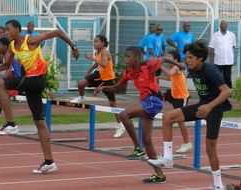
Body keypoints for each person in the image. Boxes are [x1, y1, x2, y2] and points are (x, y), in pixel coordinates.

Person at [0, 19, 79, 174]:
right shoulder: (12, 46)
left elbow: (58, 32)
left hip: (38, 80)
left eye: (7, 29)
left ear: (17, 30)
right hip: (31, 84)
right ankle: (49, 162)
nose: (5, 33)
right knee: (39, 122)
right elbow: (6, 66)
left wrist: (73, 47)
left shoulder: (31, 40)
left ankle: (11, 123)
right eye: (4, 30)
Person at [148, 40, 232, 190]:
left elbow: (227, 91)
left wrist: (209, 106)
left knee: (210, 149)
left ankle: (218, 185)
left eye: (190, 57)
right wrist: (163, 59)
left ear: (200, 58)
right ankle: (168, 158)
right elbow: (179, 66)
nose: (188, 61)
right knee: (167, 117)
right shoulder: (191, 66)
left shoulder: (210, 70)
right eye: (186, 57)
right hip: (202, 106)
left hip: (215, 109)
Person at [94, 46, 185, 183]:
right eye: (125, 56)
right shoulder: (128, 72)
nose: (125, 59)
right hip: (145, 103)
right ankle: (159, 175)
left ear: (137, 58)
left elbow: (163, 58)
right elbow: (117, 87)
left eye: (128, 56)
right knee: (147, 141)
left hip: (154, 100)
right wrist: (103, 88)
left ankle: (138, 148)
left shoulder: (148, 66)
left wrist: (179, 64)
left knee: (124, 115)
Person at [70, 35, 125, 138]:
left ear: (103, 43)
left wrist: (92, 58)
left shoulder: (105, 52)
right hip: (99, 75)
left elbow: (104, 64)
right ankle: (81, 98)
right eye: (94, 41)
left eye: (97, 41)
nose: (94, 43)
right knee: (81, 84)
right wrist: (89, 71)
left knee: (113, 105)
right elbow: (97, 65)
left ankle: (120, 126)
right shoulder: (97, 52)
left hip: (108, 79)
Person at [158, 50, 192, 154]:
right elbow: (169, 77)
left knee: (180, 122)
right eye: (166, 57)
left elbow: (169, 73)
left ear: (175, 60)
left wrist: (159, 65)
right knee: (158, 97)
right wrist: (158, 77)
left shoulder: (176, 67)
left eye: (169, 58)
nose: (167, 59)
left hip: (181, 97)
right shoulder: (174, 68)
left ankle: (187, 143)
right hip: (173, 95)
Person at [209, 20, 237, 89]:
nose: (223, 25)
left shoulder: (232, 35)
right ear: (220, 26)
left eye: (224, 24)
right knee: (218, 77)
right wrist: (211, 61)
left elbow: (233, 46)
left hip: (228, 61)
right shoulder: (215, 35)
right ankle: (218, 92)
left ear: (227, 26)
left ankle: (229, 91)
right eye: (222, 24)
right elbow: (212, 48)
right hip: (218, 61)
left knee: (227, 77)